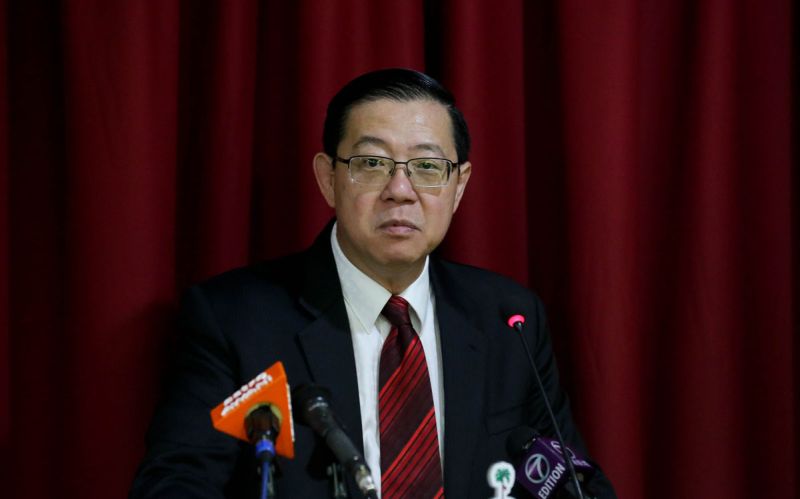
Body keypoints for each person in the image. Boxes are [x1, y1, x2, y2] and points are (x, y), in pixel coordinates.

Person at [130, 68, 616, 498]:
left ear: (459, 185)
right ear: (328, 179)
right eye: (371, 163)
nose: (400, 191)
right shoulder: (235, 321)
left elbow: (572, 483)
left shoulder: (509, 321)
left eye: (427, 167)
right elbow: (176, 484)